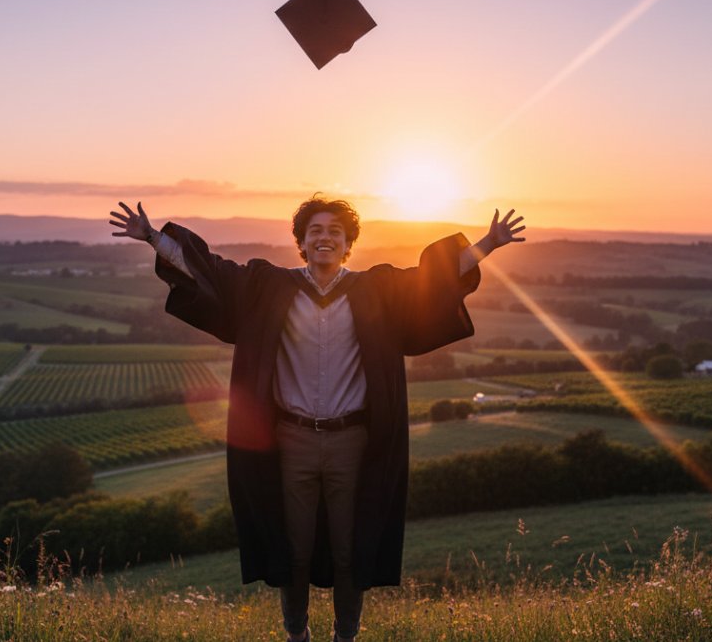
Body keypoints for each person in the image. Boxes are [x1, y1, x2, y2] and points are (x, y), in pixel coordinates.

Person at [109, 196, 525, 642]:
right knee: (294, 551)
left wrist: (488, 244)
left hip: (353, 443)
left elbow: (435, 279)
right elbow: (208, 270)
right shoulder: (267, 286)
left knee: (352, 550)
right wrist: (153, 237)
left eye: (335, 233)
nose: (324, 238)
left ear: (348, 246)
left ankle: (346, 635)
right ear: (302, 244)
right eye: (315, 232)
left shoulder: (377, 290)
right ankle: (297, 635)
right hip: (291, 441)